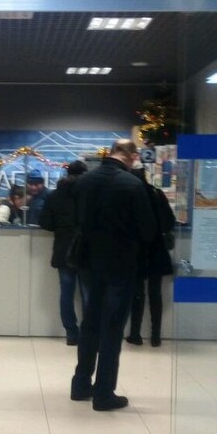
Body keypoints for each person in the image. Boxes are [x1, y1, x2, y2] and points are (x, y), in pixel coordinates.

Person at [70, 139, 156, 411]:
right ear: (130, 156)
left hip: (88, 260)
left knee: (90, 321)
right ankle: (104, 392)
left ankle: (81, 383)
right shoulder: (132, 185)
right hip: (120, 261)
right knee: (112, 326)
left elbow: (75, 219)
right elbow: (148, 229)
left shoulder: (84, 181)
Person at [38, 160, 90, 345]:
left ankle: (71, 333)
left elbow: (45, 222)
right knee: (87, 294)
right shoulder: (90, 194)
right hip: (86, 250)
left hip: (64, 249)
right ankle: (88, 334)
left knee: (66, 293)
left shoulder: (55, 195)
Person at [125, 163, 176, 347]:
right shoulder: (156, 193)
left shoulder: (129, 196)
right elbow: (169, 221)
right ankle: (155, 336)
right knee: (156, 294)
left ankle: (135, 334)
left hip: (136, 251)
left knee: (137, 293)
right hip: (156, 250)